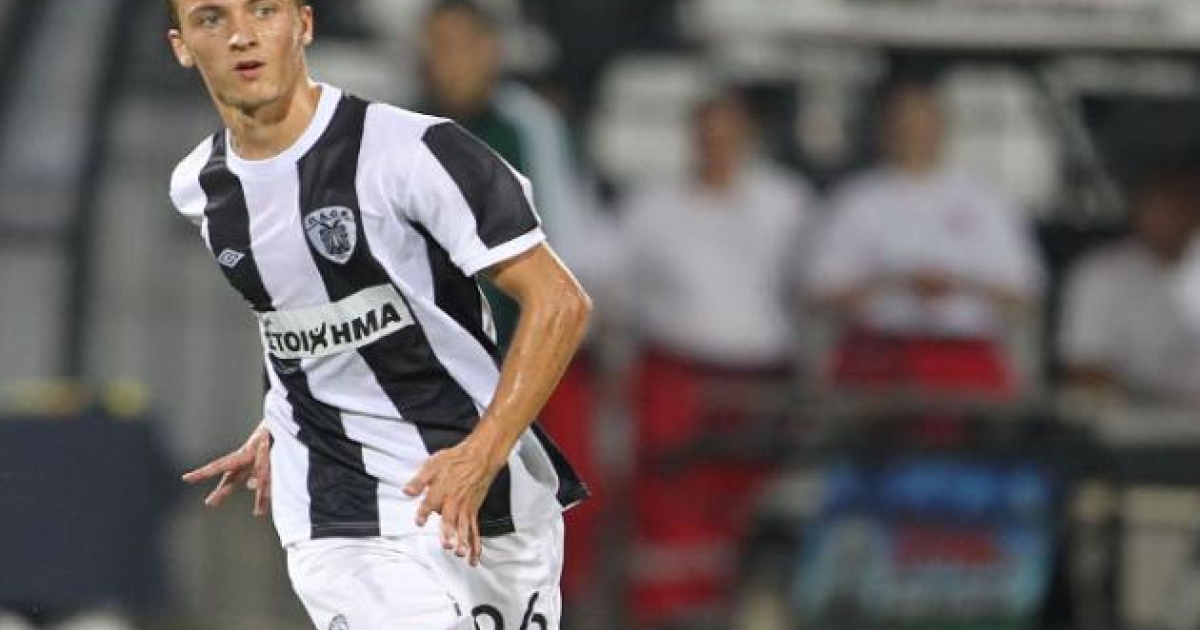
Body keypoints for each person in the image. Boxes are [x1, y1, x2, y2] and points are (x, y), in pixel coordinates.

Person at [163, 2, 592, 630]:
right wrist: (282, 412)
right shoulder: (199, 186)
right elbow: (289, 310)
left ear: (304, 24)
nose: (241, 36)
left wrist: (481, 453)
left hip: (477, 489)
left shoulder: (417, 152)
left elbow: (560, 302)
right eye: (211, 19)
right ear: (182, 46)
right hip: (337, 504)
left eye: (264, 10)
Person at [415, 0, 610, 606]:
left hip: (524, 361)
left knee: (542, 519)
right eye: (435, 46)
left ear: (491, 51)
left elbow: (566, 247)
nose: (444, 61)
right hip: (439, 371)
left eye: (458, 45)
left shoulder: (527, 127)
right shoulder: (403, 127)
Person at [616, 90, 815, 630]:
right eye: (708, 132)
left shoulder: (788, 203)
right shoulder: (651, 208)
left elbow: (811, 289)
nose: (717, 144)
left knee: (756, 507)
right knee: (674, 509)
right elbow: (614, 292)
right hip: (677, 371)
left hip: (763, 376)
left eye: (729, 132)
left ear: (748, 135)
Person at [807, 81, 1044, 398]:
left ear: (942, 128)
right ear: (886, 130)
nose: (915, 133)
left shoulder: (985, 200)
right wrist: (897, 283)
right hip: (878, 354)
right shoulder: (856, 200)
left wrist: (958, 284)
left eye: (924, 123)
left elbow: (1025, 292)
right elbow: (820, 290)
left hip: (961, 353)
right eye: (905, 123)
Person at [1059, 166, 1200, 402]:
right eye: (1159, 207)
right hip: (1133, 412)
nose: (1169, 217)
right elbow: (1083, 365)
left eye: (1181, 206)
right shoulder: (1100, 272)